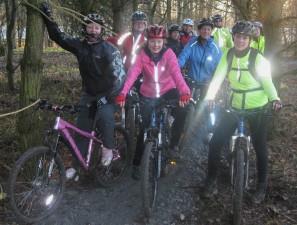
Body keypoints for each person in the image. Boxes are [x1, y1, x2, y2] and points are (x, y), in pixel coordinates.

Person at [40, 4, 126, 175]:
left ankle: (108, 148)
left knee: (105, 117)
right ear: (85, 28)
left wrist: (108, 97)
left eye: (97, 27)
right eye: (90, 26)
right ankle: (76, 166)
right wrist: (48, 17)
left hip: (108, 93)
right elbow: (59, 37)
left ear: (101, 29)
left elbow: (121, 78)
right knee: (82, 128)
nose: (93, 30)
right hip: (89, 94)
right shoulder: (80, 46)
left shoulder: (110, 50)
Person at [203, 21, 282, 203]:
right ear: (233, 37)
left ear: (250, 40)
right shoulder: (228, 55)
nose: (240, 40)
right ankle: (211, 180)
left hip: (258, 107)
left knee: (260, 145)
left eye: (244, 37)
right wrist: (210, 96)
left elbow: (267, 82)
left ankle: (261, 187)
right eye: (238, 37)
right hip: (235, 106)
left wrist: (275, 99)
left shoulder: (258, 58)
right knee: (215, 142)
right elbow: (218, 77)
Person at [115, 25, 191, 179]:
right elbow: (132, 74)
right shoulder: (142, 55)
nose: (156, 45)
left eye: (159, 41)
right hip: (148, 93)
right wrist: (123, 93)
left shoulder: (169, 54)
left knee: (183, 110)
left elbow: (176, 73)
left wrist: (184, 92)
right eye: (152, 41)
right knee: (144, 130)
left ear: (164, 41)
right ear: (147, 41)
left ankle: (173, 145)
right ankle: (137, 165)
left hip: (168, 90)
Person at [178, 18, 222, 99]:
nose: (206, 31)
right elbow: (183, 56)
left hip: (207, 85)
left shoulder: (215, 48)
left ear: (211, 31)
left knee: (204, 109)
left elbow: (220, 67)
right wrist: (176, 67)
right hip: (191, 83)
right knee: (187, 108)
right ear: (199, 31)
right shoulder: (192, 43)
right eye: (203, 29)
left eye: (208, 29)